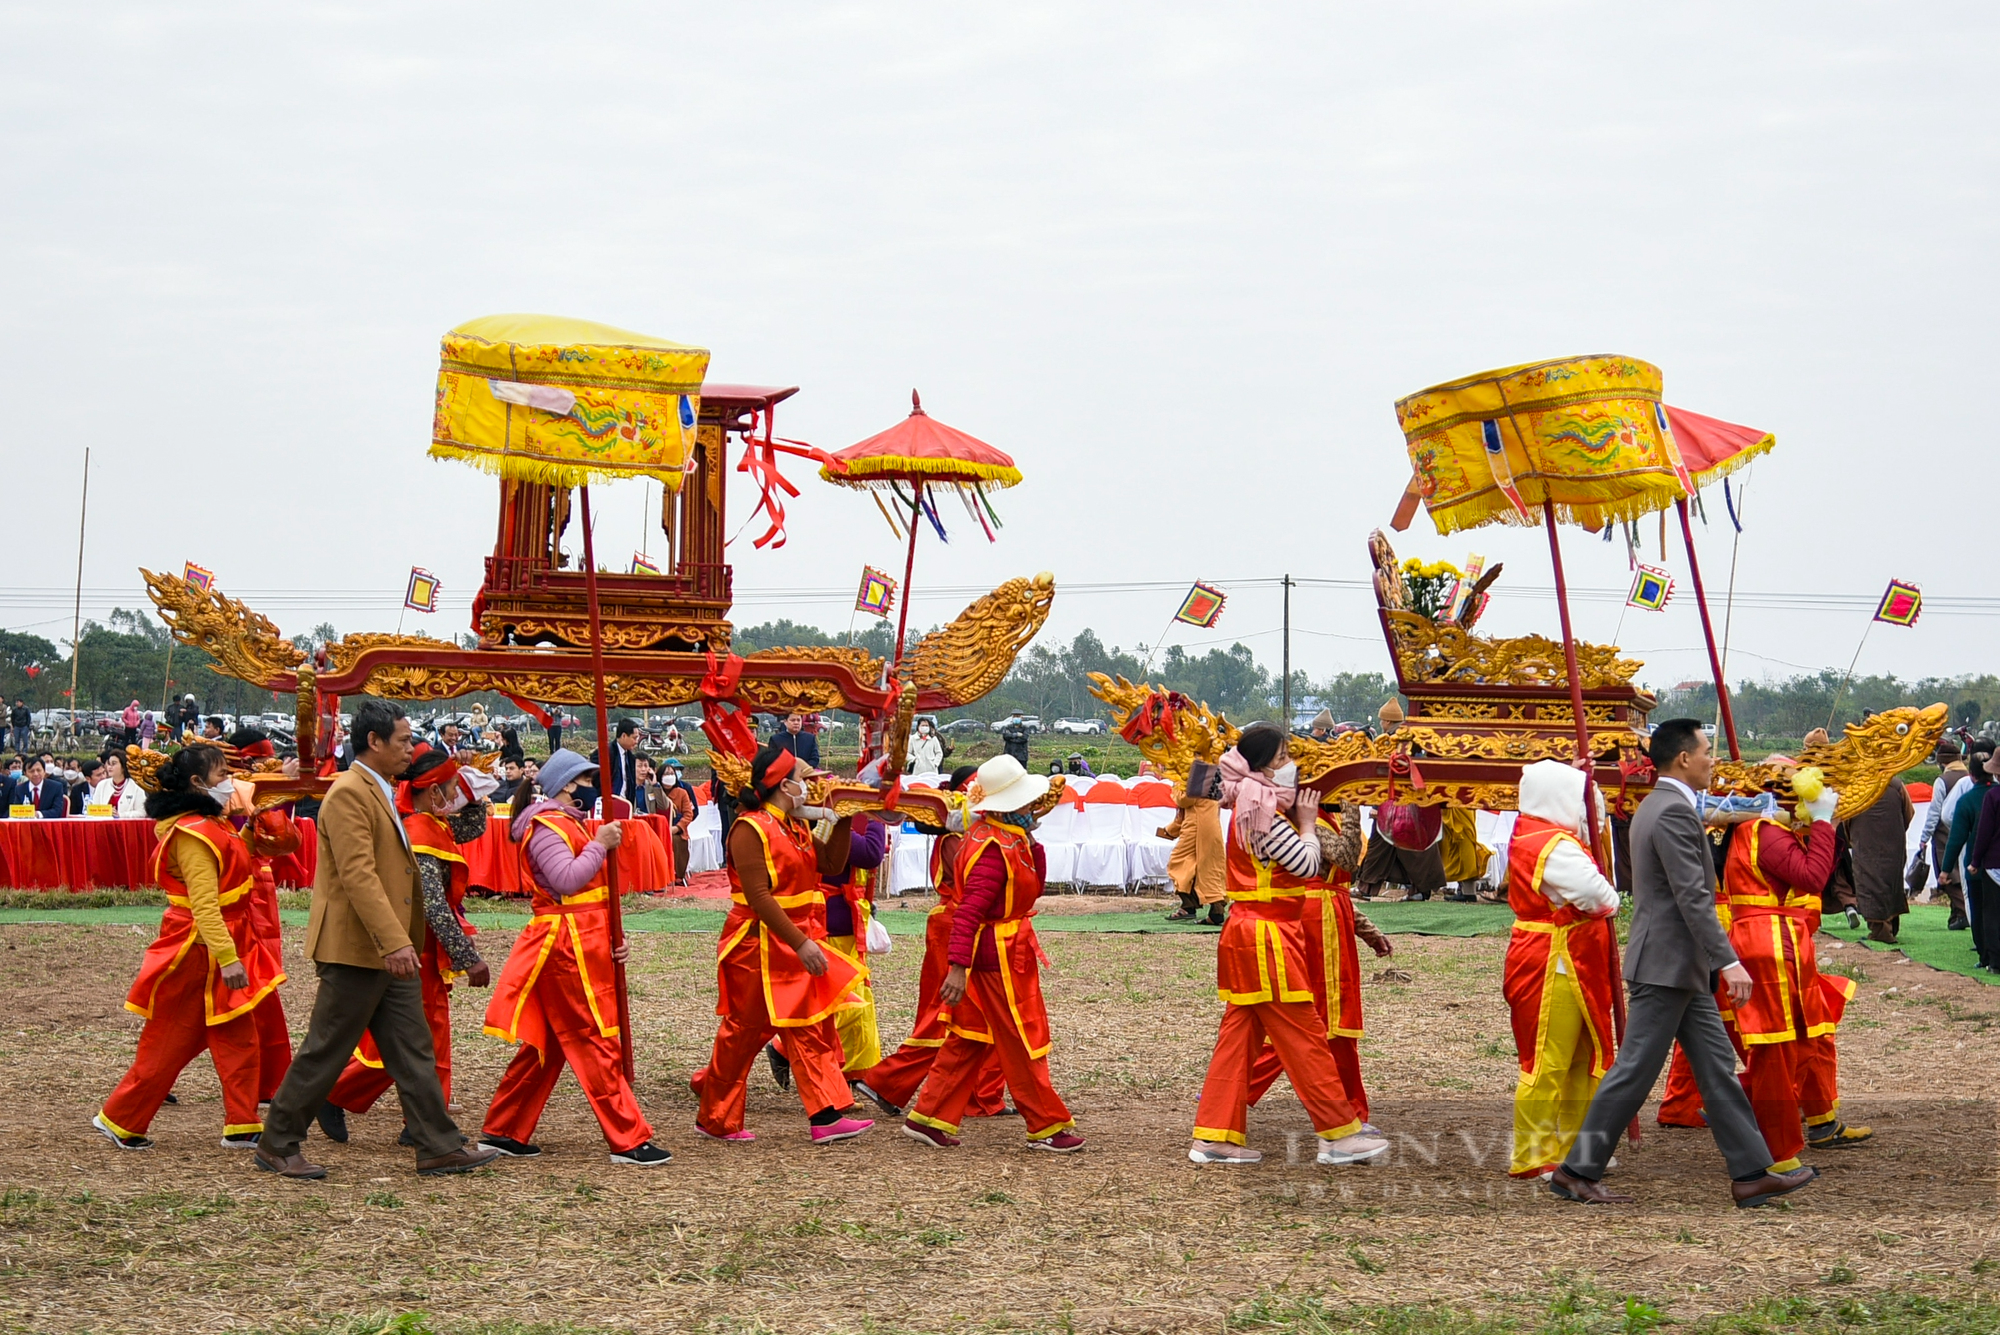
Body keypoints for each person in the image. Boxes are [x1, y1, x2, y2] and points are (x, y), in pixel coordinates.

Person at [1549, 719, 1816, 1208]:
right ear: (1683, 758)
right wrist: (1729, 961)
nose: (1713, 759)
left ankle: (1752, 1173)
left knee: (1715, 1068)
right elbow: (1693, 896)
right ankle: (1575, 1170)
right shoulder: (1672, 811)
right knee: (1632, 1072)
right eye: (1707, 751)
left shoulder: (1661, 805)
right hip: (1666, 965)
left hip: (1677, 966)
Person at [255, 700, 496, 1180]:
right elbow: (358, 875)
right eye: (405, 740)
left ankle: (437, 1145)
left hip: (386, 949)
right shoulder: (349, 793)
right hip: (361, 948)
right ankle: (277, 1142)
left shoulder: (379, 790)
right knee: (328, 1047)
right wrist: (394, 941)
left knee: (412, 1048)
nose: (412, 749)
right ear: (374, 741)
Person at [1186, 724, 1385, 1167]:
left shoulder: (1246, 798)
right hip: (1269, 936)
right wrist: (1311, 825)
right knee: (1305, 1034)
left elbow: (1198, 778)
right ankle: (1339, 1132)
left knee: (1238, 1039)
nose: (1287, 764)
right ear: (1262, 764)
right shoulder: (1263, 809)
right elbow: (1307, 862)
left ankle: (1213, 1135)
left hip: (1248, 931)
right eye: (1281, 757)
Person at [478, 749, 670, 1165]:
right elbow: (567, 880)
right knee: (593, 1037)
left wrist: (613, 936)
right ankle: (628, 1137)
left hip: (583, 941)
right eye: (585, 779)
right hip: (564, 947)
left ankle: (503, 1129)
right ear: (566, 785)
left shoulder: (567, 823)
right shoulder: (546, 825)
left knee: (547, 1044)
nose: (591, 787)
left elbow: (591, 893)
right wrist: (600, 845)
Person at [94, 744, 286, 1151]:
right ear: (198, 783)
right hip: (197, 951)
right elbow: (205, 905)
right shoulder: (192, 834)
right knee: (170, 1042)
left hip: (218, 946)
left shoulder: (211, 823)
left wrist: (253, 831)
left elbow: (236, 863)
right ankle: (122, 1118)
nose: (228, 783)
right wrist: (228, 958)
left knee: (239, 1038)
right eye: (221, 776)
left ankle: (242, 1123)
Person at [691, 740, 874, 1144]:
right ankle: (715, 1115)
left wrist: (843, 818)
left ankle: (826, 1115)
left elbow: (831, 865)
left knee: (808, 1025)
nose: (810, 787)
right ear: (783, 785)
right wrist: (801, 944)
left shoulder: (795, 826)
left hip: (793, 941)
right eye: (803, 780)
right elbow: (758, 898)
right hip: (756, 946)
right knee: (740, 1034)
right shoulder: (749, 827)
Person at [903, 754, 1083, 1153]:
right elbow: (969, 911)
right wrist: (957, 967)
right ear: (1012, 804)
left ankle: (929, 1117)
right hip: (997, 955)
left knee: (969, 1036)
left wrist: (1032, 840)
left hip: (1000, 949)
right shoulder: (993, 847)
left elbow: (1033, 886)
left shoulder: (1001, 837)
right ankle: (1046, 1123)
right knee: (1021, 1038)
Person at [320, 746, 492, 1142]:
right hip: (417, 949)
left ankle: (422, 1123)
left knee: (429, 1039)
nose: (454, 797)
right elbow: (432, 905)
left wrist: (476, 795)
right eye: (449, 789)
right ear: (432, 793)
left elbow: (471, 827)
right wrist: (469, 959)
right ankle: (333, 1092)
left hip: (426, 951)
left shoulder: (429, 821)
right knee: (410, 1042)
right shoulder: (418, 832)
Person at [853, 766, 1007, 1118]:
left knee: (977, 1016)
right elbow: (975, 892)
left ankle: (979, 1094)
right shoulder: (960, 838)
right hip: (958, 926)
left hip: (964, 926)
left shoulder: (974, 834)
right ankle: (888, 1083)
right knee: (948, 1015)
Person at [1497, 761, 1621, 1179]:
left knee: (1579, 1057)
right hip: (1553, 962)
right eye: (1579, 798)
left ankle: (1574, 1146)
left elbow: (1596, 826)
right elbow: (1599, 895)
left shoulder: (1540, 831)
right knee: (1549, 1059)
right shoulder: (1550, 843)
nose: (1589, 811)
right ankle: (1533, 1153)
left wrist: (1586, 786)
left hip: (1572, 960)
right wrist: (1611, 899)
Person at [1245, 795, 1391, 1125]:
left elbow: (1337, 886)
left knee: (1320, 1019)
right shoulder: (1305, 821)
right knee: (1323, 1020)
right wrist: (1354, 805)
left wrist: (1368, 931)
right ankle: (1349, 1114)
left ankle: (1239, 1088)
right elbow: (1348, 858)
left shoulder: (1320, 820)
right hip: (1316, 924)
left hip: (1330, 918)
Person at [1847, 776, 1914, 944]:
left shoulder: (1856, 783)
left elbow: (1846, 817)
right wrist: (1896, 829)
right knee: (1892, 882)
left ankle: (1880, 931)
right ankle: (1891, 926)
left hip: (1865, 842)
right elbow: (1909, 812)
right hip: (1893, 841)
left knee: (1868, 882)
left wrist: (1853, 837)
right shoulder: (1896, 783)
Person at [1161, 763, 1227, 925]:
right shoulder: (1210, 764)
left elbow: (1186, 799)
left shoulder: (1200, 766)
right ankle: (1195, 907)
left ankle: (1199, 906)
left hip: (1198, 823)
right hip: (1206, 820)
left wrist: (1175, 787)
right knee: (1208, 864)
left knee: (1179, 863)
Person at [1915, 739, 1969, 928]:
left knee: (1947, 877)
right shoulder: (1970, 776)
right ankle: (1957, 916)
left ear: (1942, 762)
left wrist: (1924, 837)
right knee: (1961, 874)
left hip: (1944, 835)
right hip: (1968, 833)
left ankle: (1964, 913)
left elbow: (1934, 812)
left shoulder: (1942, 781)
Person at [1966, 750, 2000, 973]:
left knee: (1993, 912)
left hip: (1994, 863)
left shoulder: (1993, 796)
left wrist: (1975, 860)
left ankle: (1996, 961)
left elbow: (1984, 832)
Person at [91, 750, 148, 817]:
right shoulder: (101, 785)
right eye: (109, 764)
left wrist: (121, 815)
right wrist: (107, 811)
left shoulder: (136, 786)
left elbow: (142, 813)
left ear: (123, 767)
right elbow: (93, 810)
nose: (110, 767)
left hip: (126, 826)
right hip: (104, 825)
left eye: (114, 763)